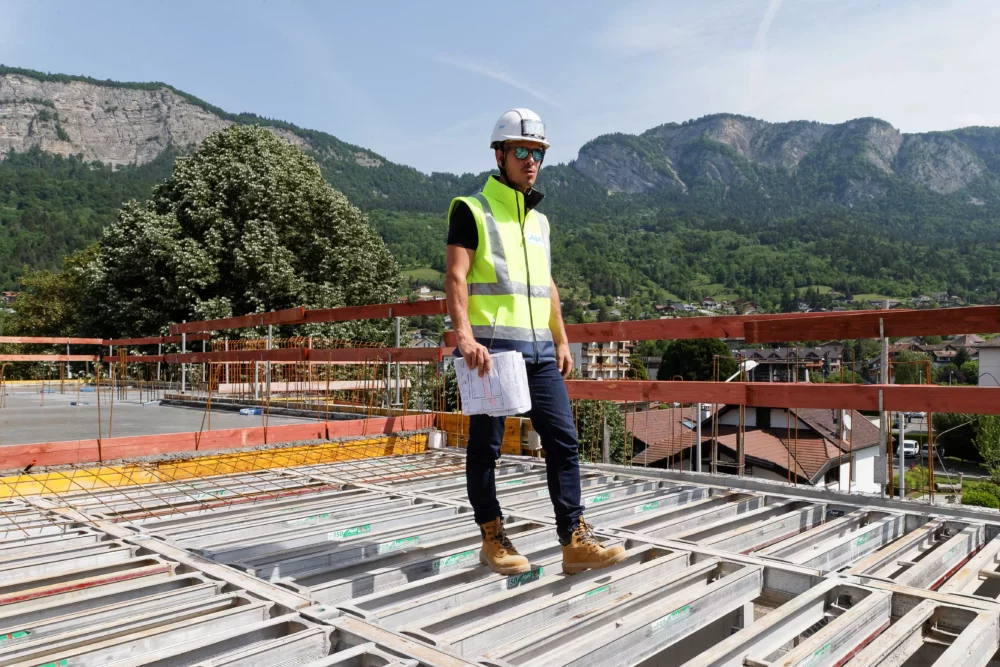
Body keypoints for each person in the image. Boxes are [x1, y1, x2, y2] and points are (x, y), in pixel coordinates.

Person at [445, 108, 626, 575]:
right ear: (500, 154)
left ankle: (574, 539)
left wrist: (562, 339)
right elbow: (456, 277)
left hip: (541, 353)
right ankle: (492, 535)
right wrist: (464, 336)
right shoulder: (472, 209)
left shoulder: (539, 222)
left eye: (538, 153)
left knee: (564, 441)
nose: (531, 161)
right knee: (486, 447)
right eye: (522, 151)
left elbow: (546, 285)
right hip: (492, 354)